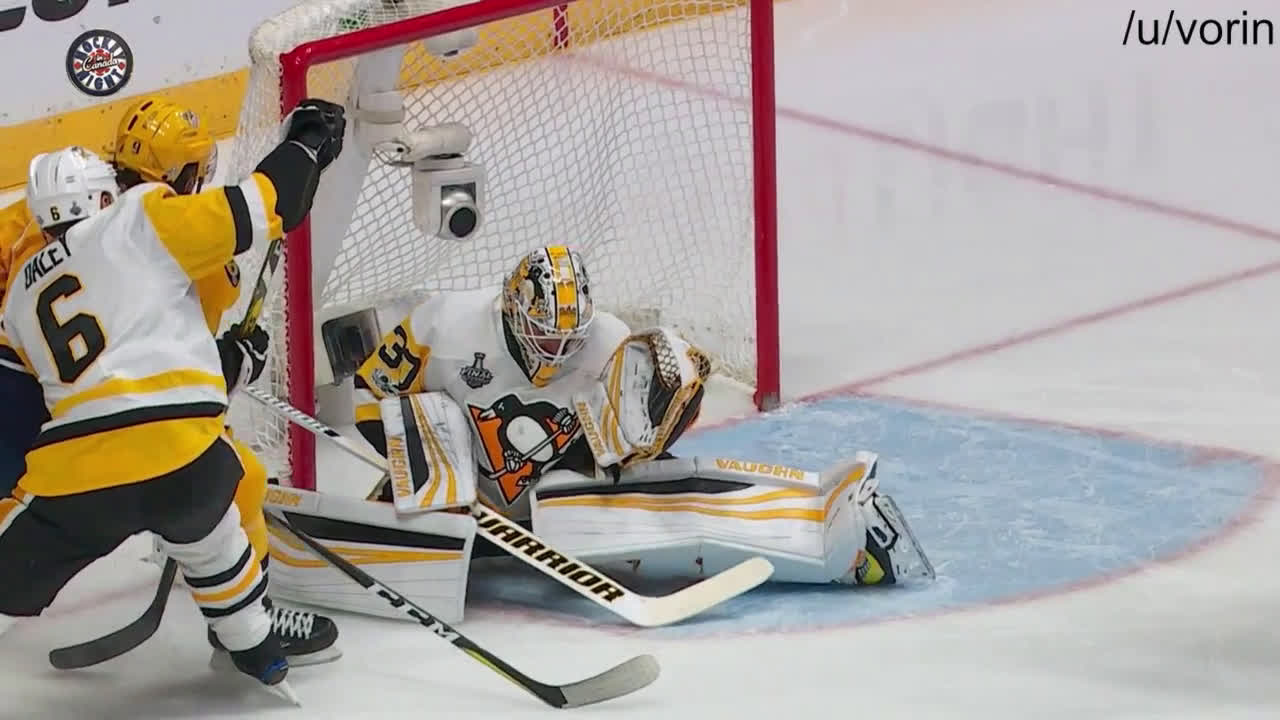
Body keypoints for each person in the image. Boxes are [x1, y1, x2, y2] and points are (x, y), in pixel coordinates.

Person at [0, 99, 342, 696]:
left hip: (71, 461)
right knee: (230, 494)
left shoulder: (20, 285)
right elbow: (270, 201)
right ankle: (254, 640)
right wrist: (307, 144)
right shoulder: (145, 217)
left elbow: (79, 381)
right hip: (182, 458)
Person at [347, 246, 933, 588]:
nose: (557, 352)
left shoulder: (608, 341)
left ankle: (839, 534)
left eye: (569, 339)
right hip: (459, 503)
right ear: (514, 309)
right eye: (545, 336)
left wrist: (657, 424)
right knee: (427, 430)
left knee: (676, 499)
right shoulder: (443, 323)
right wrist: (431, 468)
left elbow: (627, 446)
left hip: (560, 500)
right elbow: (368, 394)